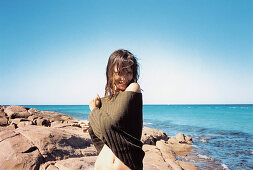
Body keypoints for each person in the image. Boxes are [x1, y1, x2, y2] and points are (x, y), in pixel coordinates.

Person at [88, 49, 145, 170]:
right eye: (119, 72)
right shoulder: (105, 102)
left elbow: (109, 126)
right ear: (110, 72)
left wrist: (94, 111)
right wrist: (90, 124)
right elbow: (105, 136)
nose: (124, 78)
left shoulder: (134, 88)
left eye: (129, 72)